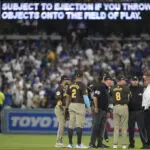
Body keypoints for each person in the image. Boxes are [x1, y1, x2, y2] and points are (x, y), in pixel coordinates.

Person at [67, 71, 92, 148]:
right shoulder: (82, 85)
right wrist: (89, 107)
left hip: (71, 105)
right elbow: (85, 97)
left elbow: (68, 97)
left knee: (71, 125)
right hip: (79, 105)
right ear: (82, 77)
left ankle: (70, 144)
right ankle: (78, 144)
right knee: (79, 125)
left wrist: (66, 107)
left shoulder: (70, 85)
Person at [89, 74, 113, 148]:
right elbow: (95, 97)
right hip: (99, 110)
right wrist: (96, 108)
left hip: (104, 111)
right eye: (110, 80)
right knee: (96, 127)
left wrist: (107, 110)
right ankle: (92, 143)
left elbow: (106, 100)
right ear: (107, 80)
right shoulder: (101, 86)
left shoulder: (106, 88)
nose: (111, 81)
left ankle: (100, 143)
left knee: (102, 128)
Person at [128, 76, 148, 149]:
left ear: (138, 81)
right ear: (131, 81)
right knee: (131, 129)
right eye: (133, 80)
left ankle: (145, 144)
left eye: (136, 80)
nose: (135, 81)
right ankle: (131, 144)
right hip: (131, 112)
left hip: (140, 111)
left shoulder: (142, 88)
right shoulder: (128, 89)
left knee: (142, 129)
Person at [111, 76, 129, 149]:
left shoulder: (112, 88)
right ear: (120, 80)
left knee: (116, 127)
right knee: (124, 127)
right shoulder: (126, 87)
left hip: (115, 107)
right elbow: (129, 96)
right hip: (123, 106)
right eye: (123, 80)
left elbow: (111, 95)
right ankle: (124, 144)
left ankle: (115, 144)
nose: (125, 81)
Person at [55, 75, 70, 148]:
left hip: (64, 107)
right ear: (64, 80)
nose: (68, 81)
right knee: (61, 125)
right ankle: (58, 142)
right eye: (67, 80)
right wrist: (61, 106)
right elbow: (58, 97)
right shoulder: (59, 87)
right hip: (60, 107)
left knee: (63, 125)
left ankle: (60, 141)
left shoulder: (65, 88)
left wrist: (66, 108)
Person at [142, 72, 150, 148]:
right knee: (147, 127)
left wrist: (145, 107)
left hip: (148, 109)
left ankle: (148, 143)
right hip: (147, 109)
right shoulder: (147, 88)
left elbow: (148, 99)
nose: (144, 82)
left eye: (146, 80)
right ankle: (148, 142)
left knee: (148, 127)